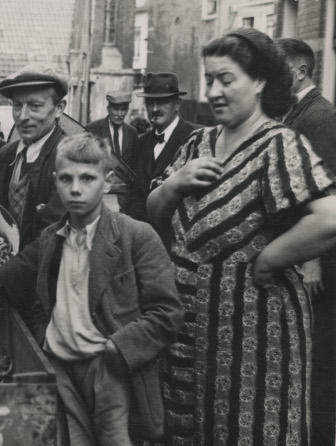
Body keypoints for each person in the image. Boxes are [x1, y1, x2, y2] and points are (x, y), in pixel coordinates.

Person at [146, 28, 336, 445]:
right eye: (210, 79)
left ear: (260, 82)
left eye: (227, 79)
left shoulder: (278, 145)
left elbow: (329, 219)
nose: (214, 90)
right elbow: (153, 212)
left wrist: (270, 258)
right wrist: (175, 183)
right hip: (188, 335)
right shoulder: (199, 142)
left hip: (252, 337)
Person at [0, 133, 183, 445]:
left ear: (107, 181)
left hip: (108, 368)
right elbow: (38, 288)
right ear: (55, 180)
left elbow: (168, 313)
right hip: (61, 369)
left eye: (87, 178)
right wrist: (45, 336)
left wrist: (117, 349)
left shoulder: (135, 236)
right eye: (66, 178)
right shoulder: (51, 238)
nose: (76, 189)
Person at [276, 37, 336, 445]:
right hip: (301, 259)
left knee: (319, 368)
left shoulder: (320, 118)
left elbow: (329, 194)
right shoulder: (296, 112)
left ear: (297, 71)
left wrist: (315, 259)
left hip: (319, 265)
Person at [0, 64, 68, 248]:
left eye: (35, 106)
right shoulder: (6, 156)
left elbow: (50, 240)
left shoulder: (69, 162)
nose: (23, 116)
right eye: (17, 105)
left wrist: (0, 276)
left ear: (59, 108)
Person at [125, 72, 199, 223]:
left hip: (178, 241)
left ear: (177, 104)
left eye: (162, 102)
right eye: (150, 103)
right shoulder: (140, 144)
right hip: (142, 239)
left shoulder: (197, 139)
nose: (154, 109)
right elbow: (132, 198)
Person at [86, 92, 139, 212]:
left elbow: (135, 166)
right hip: (100, 196)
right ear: (108, 108)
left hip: (125, 200)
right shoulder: (92, 129)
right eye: (116, 109)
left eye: (124, 109)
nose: (120, 114)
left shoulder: (132, 133)